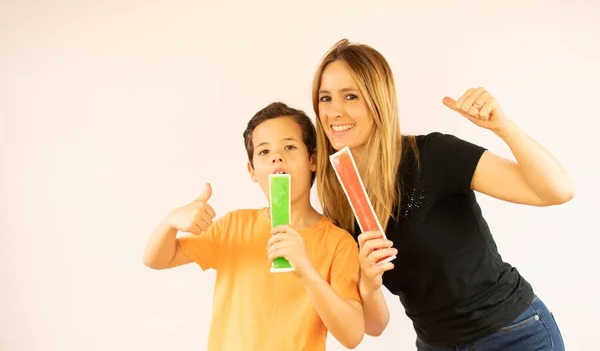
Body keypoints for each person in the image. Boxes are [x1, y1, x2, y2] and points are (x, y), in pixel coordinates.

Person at [310, 39, 573, 350]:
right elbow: (374, 326)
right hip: (436, 344)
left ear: (378, 101)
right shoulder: (339, 199)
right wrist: (368, 283)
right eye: (325, 98)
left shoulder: (433, 155)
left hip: (512, 334)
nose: (334, 112)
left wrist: (502, 126)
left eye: (350, 96)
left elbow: (558, 191)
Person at [142, 102, 365, 350]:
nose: (276, 157)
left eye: (289, 147)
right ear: (252, 171)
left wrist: (307, 272)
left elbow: (353, 335)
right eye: (264, 152)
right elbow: (157, 259)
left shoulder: (338, 243)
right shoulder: (233, 228)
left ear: (312, 160)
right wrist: (170, 223)